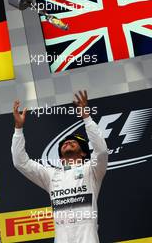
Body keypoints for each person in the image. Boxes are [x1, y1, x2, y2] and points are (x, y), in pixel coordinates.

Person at [11, 90, 108, 243]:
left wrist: (87, 118)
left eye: (73, 142)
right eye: (64, 144)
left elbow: (101, 151)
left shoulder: (92, 170)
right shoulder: (50, 175)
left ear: (83, 153)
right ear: (61, 157)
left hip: (87, 237)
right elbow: (20, 162)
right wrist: (18, 129)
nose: (68, 142)